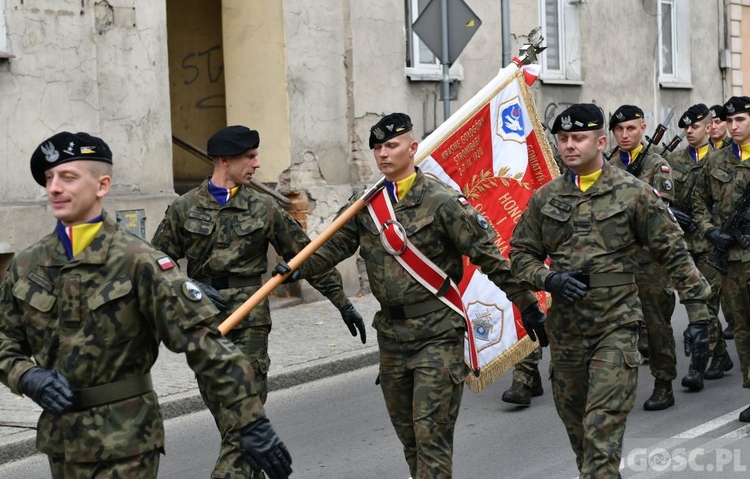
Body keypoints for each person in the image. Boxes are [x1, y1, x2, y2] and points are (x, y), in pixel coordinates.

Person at [0, 132, 292, 479]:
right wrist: (27, 376)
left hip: (126, 441)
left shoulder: (138, 261)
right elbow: (5, 342)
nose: (55, 188)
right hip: (61, 441)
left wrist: (251, 422)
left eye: (68, 177)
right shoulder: (27, 265)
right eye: (49, 178)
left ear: (101, 185)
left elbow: (207, 346)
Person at [274, 113, 545, 478]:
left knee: (431, 439)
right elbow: (331, 248)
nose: (383, 154)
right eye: (377, 148)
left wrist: (527, 305)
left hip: (437, 334)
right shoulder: (366, 204)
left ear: (413, 148)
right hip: (392, 336)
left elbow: (490, 257)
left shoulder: (442, 201)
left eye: (391, 145)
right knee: (410, 442)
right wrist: (295, 267)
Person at [509, 104, 710, 477]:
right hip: (566, 332)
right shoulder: (545, 198)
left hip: (615, 328)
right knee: (582, 443)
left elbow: (674, 252)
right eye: (564, 138)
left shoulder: (633, 193)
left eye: (579, 138)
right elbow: (520, 255)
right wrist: (546, 278)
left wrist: (699, 313)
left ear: (601, 141)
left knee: (601, 444)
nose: (570, 145)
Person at [151, 124, 363, 479]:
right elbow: (156, 264)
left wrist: (342, 302)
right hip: (205, 324)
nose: (256, 163)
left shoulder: (264, 207)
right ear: (224, 161)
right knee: (234, 425)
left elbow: (305, 255)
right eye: (249, 157)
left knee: (242, 428)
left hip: (250, 322)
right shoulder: (184, 208)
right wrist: (187, 286)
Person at [608, 105, 686, 409]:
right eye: (619, 130)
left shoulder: (657, 165)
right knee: (616, 325)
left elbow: (656, 212)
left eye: (631, 128)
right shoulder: (607, 164)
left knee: (656, 325)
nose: (625, 135)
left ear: (643, 128)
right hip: (615, 260)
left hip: (649, 261)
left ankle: (663, 383)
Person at [692, 96, 750, 422]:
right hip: (730, 258)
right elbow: (699, 200)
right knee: (742, 329)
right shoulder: (717, 162)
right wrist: (709, 230)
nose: (734, 126)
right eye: (730, 121)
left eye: (740, 120)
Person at [668, 104, 733, 382]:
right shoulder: (674, 161)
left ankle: (698, 364)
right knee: (694, 303)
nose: (689, 132)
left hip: (711, 245)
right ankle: (720, 354)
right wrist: (673, 214)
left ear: (709, 128)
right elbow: (659, 198)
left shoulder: (724, 159)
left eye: (694, 127)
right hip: (684, 246)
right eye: (686, 128)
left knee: (705, 305)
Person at [708, 103, 736, 340]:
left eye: (720, 121)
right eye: (713, 122)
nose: (716, 126)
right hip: (717, 234)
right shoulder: (712, 157)